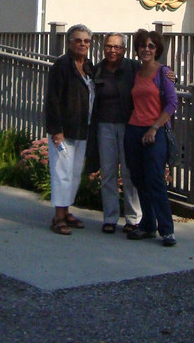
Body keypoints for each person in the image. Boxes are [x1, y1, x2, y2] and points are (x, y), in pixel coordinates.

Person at [124, 28, 179, 247]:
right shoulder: (135, 72)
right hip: (133, 130)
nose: (146, 49)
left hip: (155, 132)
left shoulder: (163, 73)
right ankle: (147, 224)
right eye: (142, 45)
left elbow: (172, 104)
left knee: (155, 180)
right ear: (137, 49)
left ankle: (167, 229)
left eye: (151, 46)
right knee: (139, 179)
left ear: (157, 50)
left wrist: (154, 127)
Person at [44, 24, 95, 235]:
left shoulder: (89, 66)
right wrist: (56, 130)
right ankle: (58, 217)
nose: (82, 44)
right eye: (78, 40)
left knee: (74, 174)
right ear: (69, 42)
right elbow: (52, 100)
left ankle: (66, 212)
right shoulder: (62, 66)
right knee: (61, 173)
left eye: (86, 41)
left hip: (83, 129)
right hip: (64, 131)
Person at [91, 32, 143, 234]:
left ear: (124, 50)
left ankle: (133, 219)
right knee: (108, 173)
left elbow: (153, 76)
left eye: (117, 47)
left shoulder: (133, 69)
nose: (112, 50)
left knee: (129, 173)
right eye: (108, 46)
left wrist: (168, 75)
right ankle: (110, 218)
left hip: (129, 125)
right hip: (104, 125)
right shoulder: (97, 70)